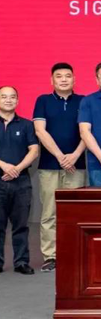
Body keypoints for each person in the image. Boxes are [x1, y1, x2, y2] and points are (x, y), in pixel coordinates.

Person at [33, 62, 86, 272]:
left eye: (68, 76)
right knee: (49, 213)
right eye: (59, 76)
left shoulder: (83, 101)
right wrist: (60, 156)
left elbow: (87, 132)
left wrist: (74, 156)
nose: (64, 79)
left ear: (74, 79)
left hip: (77, 165)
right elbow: (40, 131)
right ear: (52, 80)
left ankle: (73, 253)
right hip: (49, 165)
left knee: (75, 213)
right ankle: (51, 256)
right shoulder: (43, 100)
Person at [0, 86, 39, 275]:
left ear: (17, 100)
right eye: (4, 97)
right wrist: (4, 166)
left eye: (12, 97)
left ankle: (21, 261)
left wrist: (17, 168)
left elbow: (34, 150)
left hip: (21, 181)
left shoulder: (26, 125)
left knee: (21, 225)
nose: (8, 100)